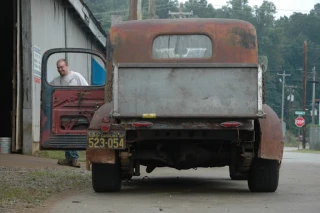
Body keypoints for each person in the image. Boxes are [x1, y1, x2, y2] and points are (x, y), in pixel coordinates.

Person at [50, 58, 89, 168]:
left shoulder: (77, 76)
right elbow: (50, 91)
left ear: (67, 66)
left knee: (71, 132)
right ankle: (69, 158)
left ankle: (74, 158)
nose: (60, 69)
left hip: (75, 110)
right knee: (65, 133)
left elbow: (87, 90)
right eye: (58, 68)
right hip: (62, 112)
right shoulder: (56, 80)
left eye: (62, 67)